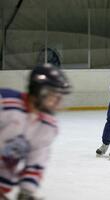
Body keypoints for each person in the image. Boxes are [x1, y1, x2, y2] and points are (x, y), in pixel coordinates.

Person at [0, 63, 71, 200]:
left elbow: (36, 162)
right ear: (41, 92)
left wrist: (27, 192)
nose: (58, 102)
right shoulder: (5, 103)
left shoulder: (47, 126)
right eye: (55, 96)